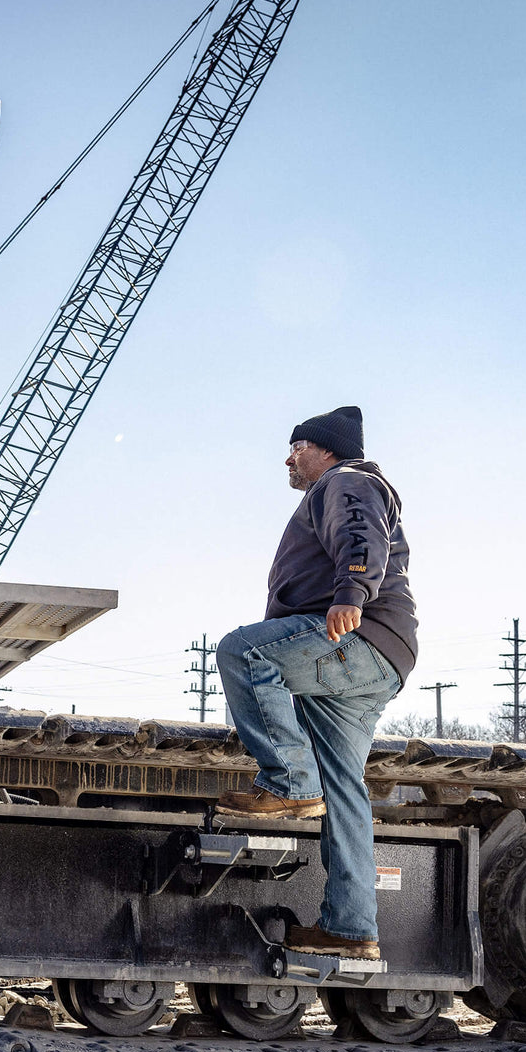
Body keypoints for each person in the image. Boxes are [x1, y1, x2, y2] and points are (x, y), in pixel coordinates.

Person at [214, 406, 417, 961]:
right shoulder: (337, 483)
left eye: (297, 446)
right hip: (375, 655)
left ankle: (286, 781)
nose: (289, 458)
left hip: (355, 636)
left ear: (324, 449)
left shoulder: (345, 480)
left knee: (243, 649)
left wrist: (352, 593)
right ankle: (351, 929)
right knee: (343, 789)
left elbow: (360, 533)